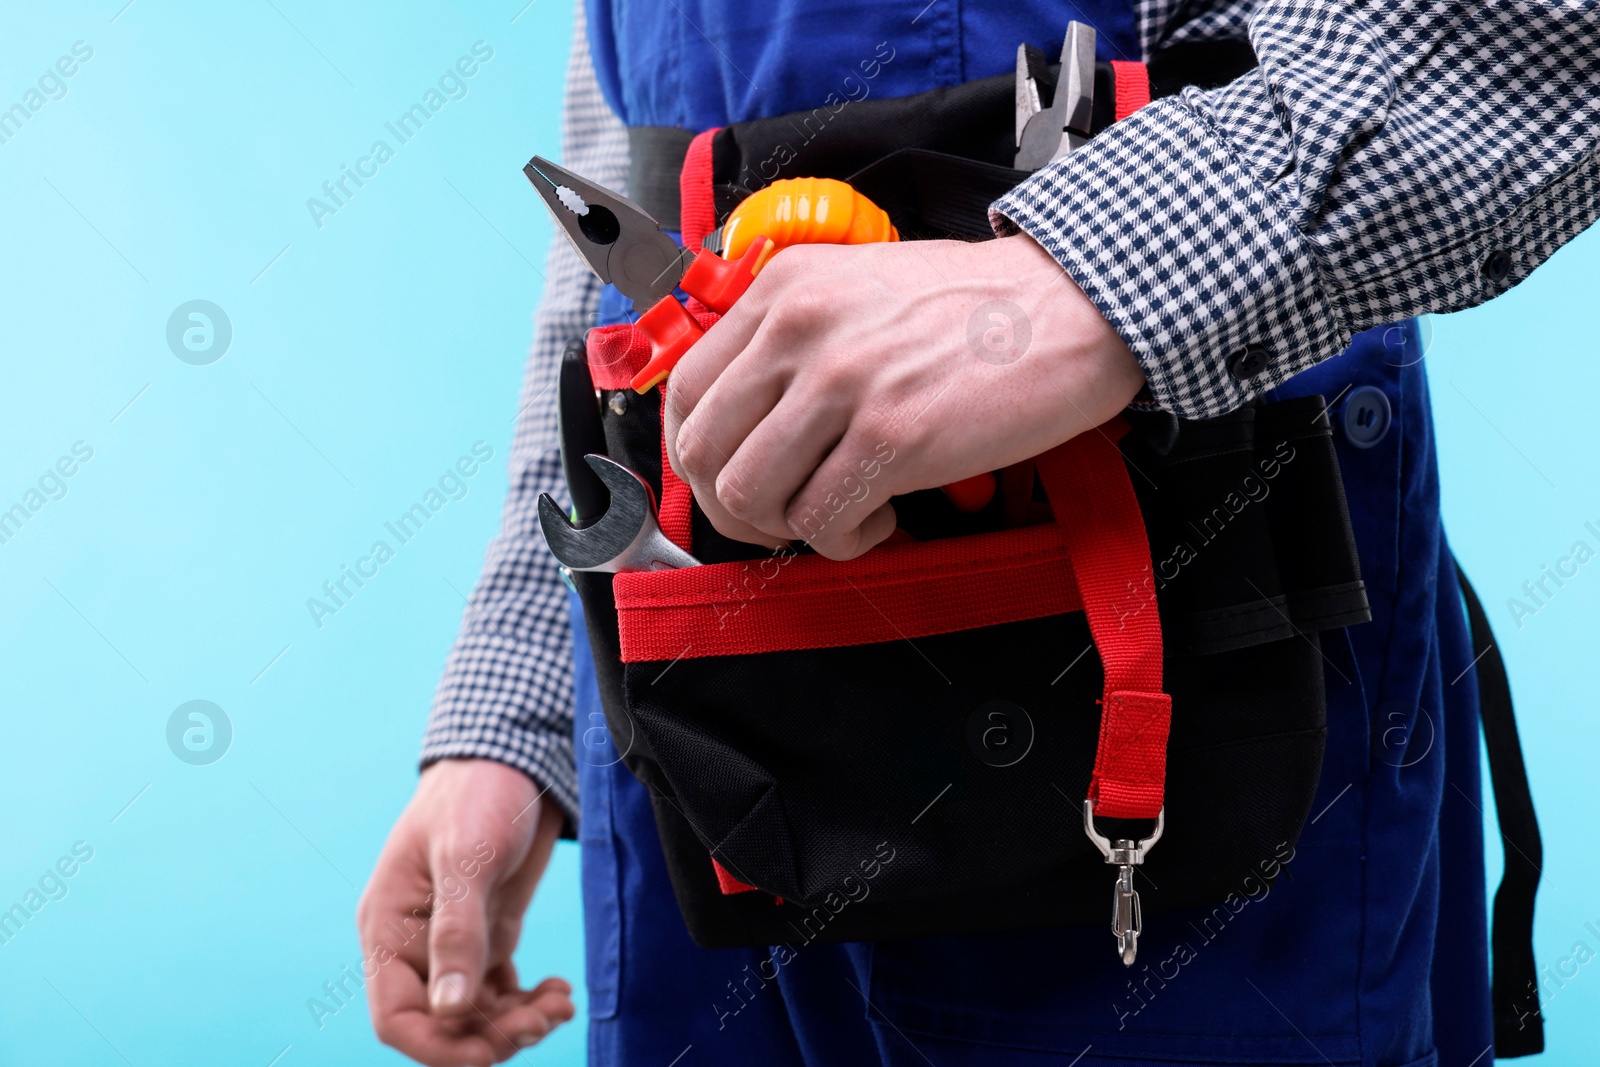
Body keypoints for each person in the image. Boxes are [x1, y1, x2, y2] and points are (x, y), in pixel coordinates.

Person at [358, 0, 1600, 1064]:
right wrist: (515, 714)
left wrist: (1093, 279)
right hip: (695, 776)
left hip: (1175, 683)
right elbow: (632, 185)